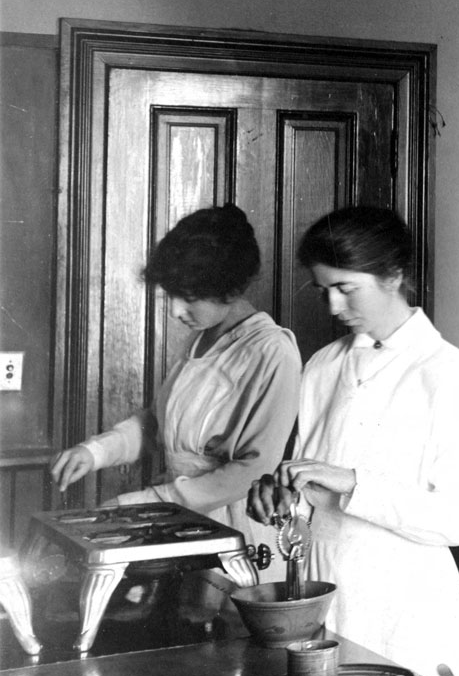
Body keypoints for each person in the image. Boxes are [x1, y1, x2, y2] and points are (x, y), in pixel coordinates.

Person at [246, 206, 459, 676]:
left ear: (393, 276)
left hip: (405, 607)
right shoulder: (324, 366)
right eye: (324, 290)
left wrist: (352, 483)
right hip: (321, 593)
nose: (333, 306)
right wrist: (282, 500)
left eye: (346, 288)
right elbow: (309, 495)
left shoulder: (451, 375)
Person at [50, 204, 300, 572]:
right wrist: (95, 452)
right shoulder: (201, 340)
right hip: (179, 519)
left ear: (230, 289)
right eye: (171, 296)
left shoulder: (272, 351)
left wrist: (148, 503)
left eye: (189, 297)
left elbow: (254, 470)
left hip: (232, 529)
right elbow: (157, 423)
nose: (175, 311)